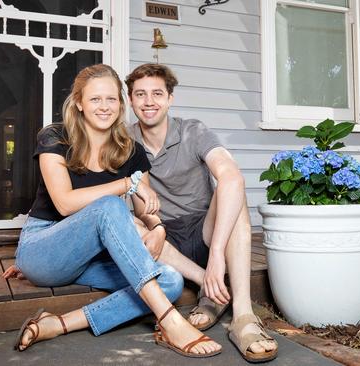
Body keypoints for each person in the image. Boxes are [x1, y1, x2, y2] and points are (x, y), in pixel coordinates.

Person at [3, 64, 222, 357]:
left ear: (120, 104)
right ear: (79, 103)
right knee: (108, 206)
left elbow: (147, 209)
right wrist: (126, 185)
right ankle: (170, 322)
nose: (104, 107)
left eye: (111, 99)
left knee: (169, 280)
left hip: (92, 256)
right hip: (45, 247)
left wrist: (157, 228)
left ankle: (58, 324)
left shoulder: (130, 150)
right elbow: (65, 203)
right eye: (95, 99)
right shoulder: (55, 138)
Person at [125, 63, 279, 363]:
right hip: (164, 241)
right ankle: (209, 286)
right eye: (140, 94)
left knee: (232, 191)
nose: (148, 101)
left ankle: (243, 317)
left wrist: (217, 253)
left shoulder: (193, 130)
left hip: (205, 232)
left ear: (170, 98)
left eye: (157, 93)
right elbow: (138, 210)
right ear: (130, 100)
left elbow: (232, 176)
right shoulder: (125, 139)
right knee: (125, 221)